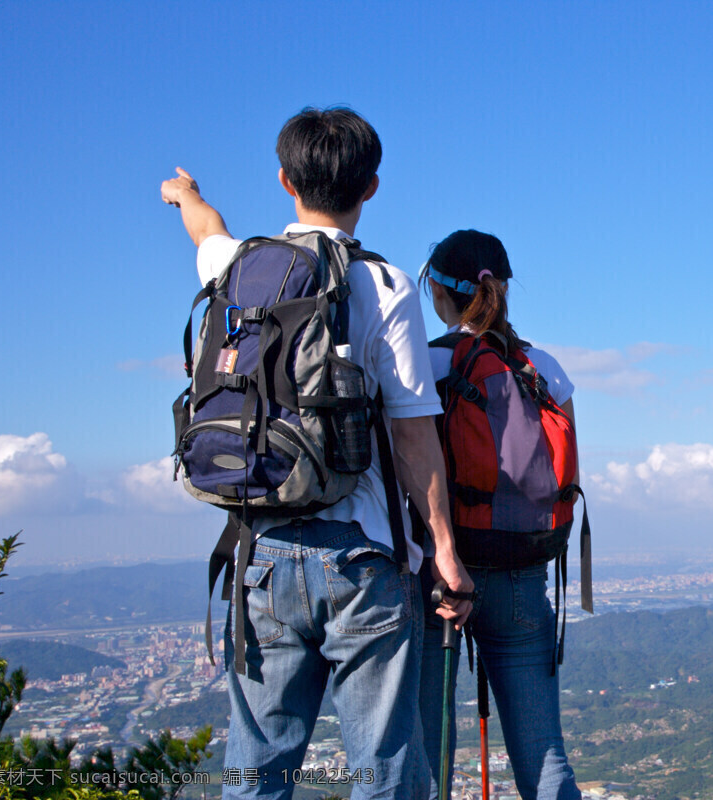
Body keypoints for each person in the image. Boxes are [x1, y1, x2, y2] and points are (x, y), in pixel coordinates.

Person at [160, 107, 473, 800]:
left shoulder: (240, 267)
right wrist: (445, 550)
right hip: (360, 557)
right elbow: (414, 431)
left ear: (283, 180)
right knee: (383, 767)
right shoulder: (385, 285)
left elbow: (206, 232)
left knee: (258, 766)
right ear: (372, 188)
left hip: (261, 550)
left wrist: (184, 195)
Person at [417, 230, 581, 800]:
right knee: (545, 756)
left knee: (428, 762)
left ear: (438, 293)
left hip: (436, 580)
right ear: (504, 289)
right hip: (523, 570)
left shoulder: (427, 363)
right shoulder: (544, 367)